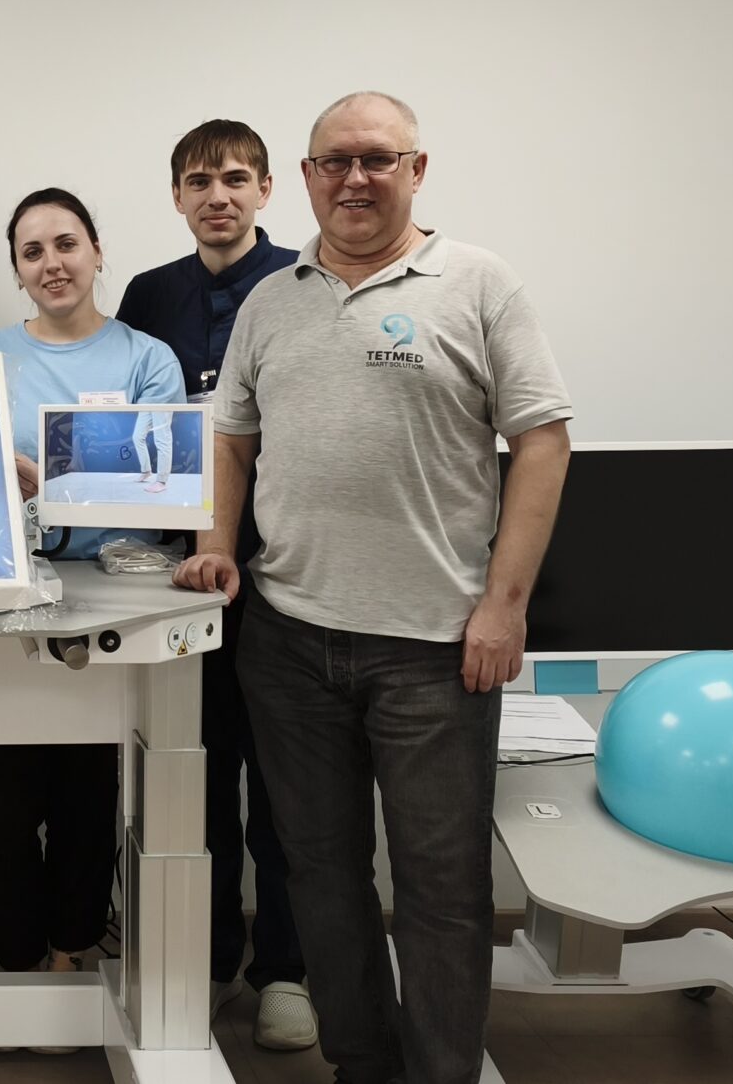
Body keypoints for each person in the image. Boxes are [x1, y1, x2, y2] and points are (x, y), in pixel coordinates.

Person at [175, 93, 574, 1084]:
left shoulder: (477, 284)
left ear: (416, 170)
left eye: (377, 159)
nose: (355, 179)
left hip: (434, 649)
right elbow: (230, 437)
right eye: (335, 162)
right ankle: (361, 1067)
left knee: (442, 889)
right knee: (319, 876)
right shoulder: (271, 300)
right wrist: (218, 544)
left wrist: (505, 606)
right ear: (308, 178)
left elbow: (542, 442)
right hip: (288, 639)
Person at [0, 190, 182, 1053]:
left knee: (88, 801)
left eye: (65, 244)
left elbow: (163, 487)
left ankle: (70, 953)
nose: (51, 263)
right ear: (16, 269)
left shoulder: (147, 359)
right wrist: (23, 480)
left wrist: (47, 480)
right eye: (32, 251)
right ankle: (19, 965)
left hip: (110, 605)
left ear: (96, 251)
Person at [114, 119, 313, 1049]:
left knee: (281, 788)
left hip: (286, 574)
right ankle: (202, 956)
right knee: (191, 775)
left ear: (267, 189)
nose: (217, 196)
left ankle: (287, 971)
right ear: (177, 197)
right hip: (181, 576)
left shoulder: (304, 284)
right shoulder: (149, 296)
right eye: (199, 181)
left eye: (236, 178)